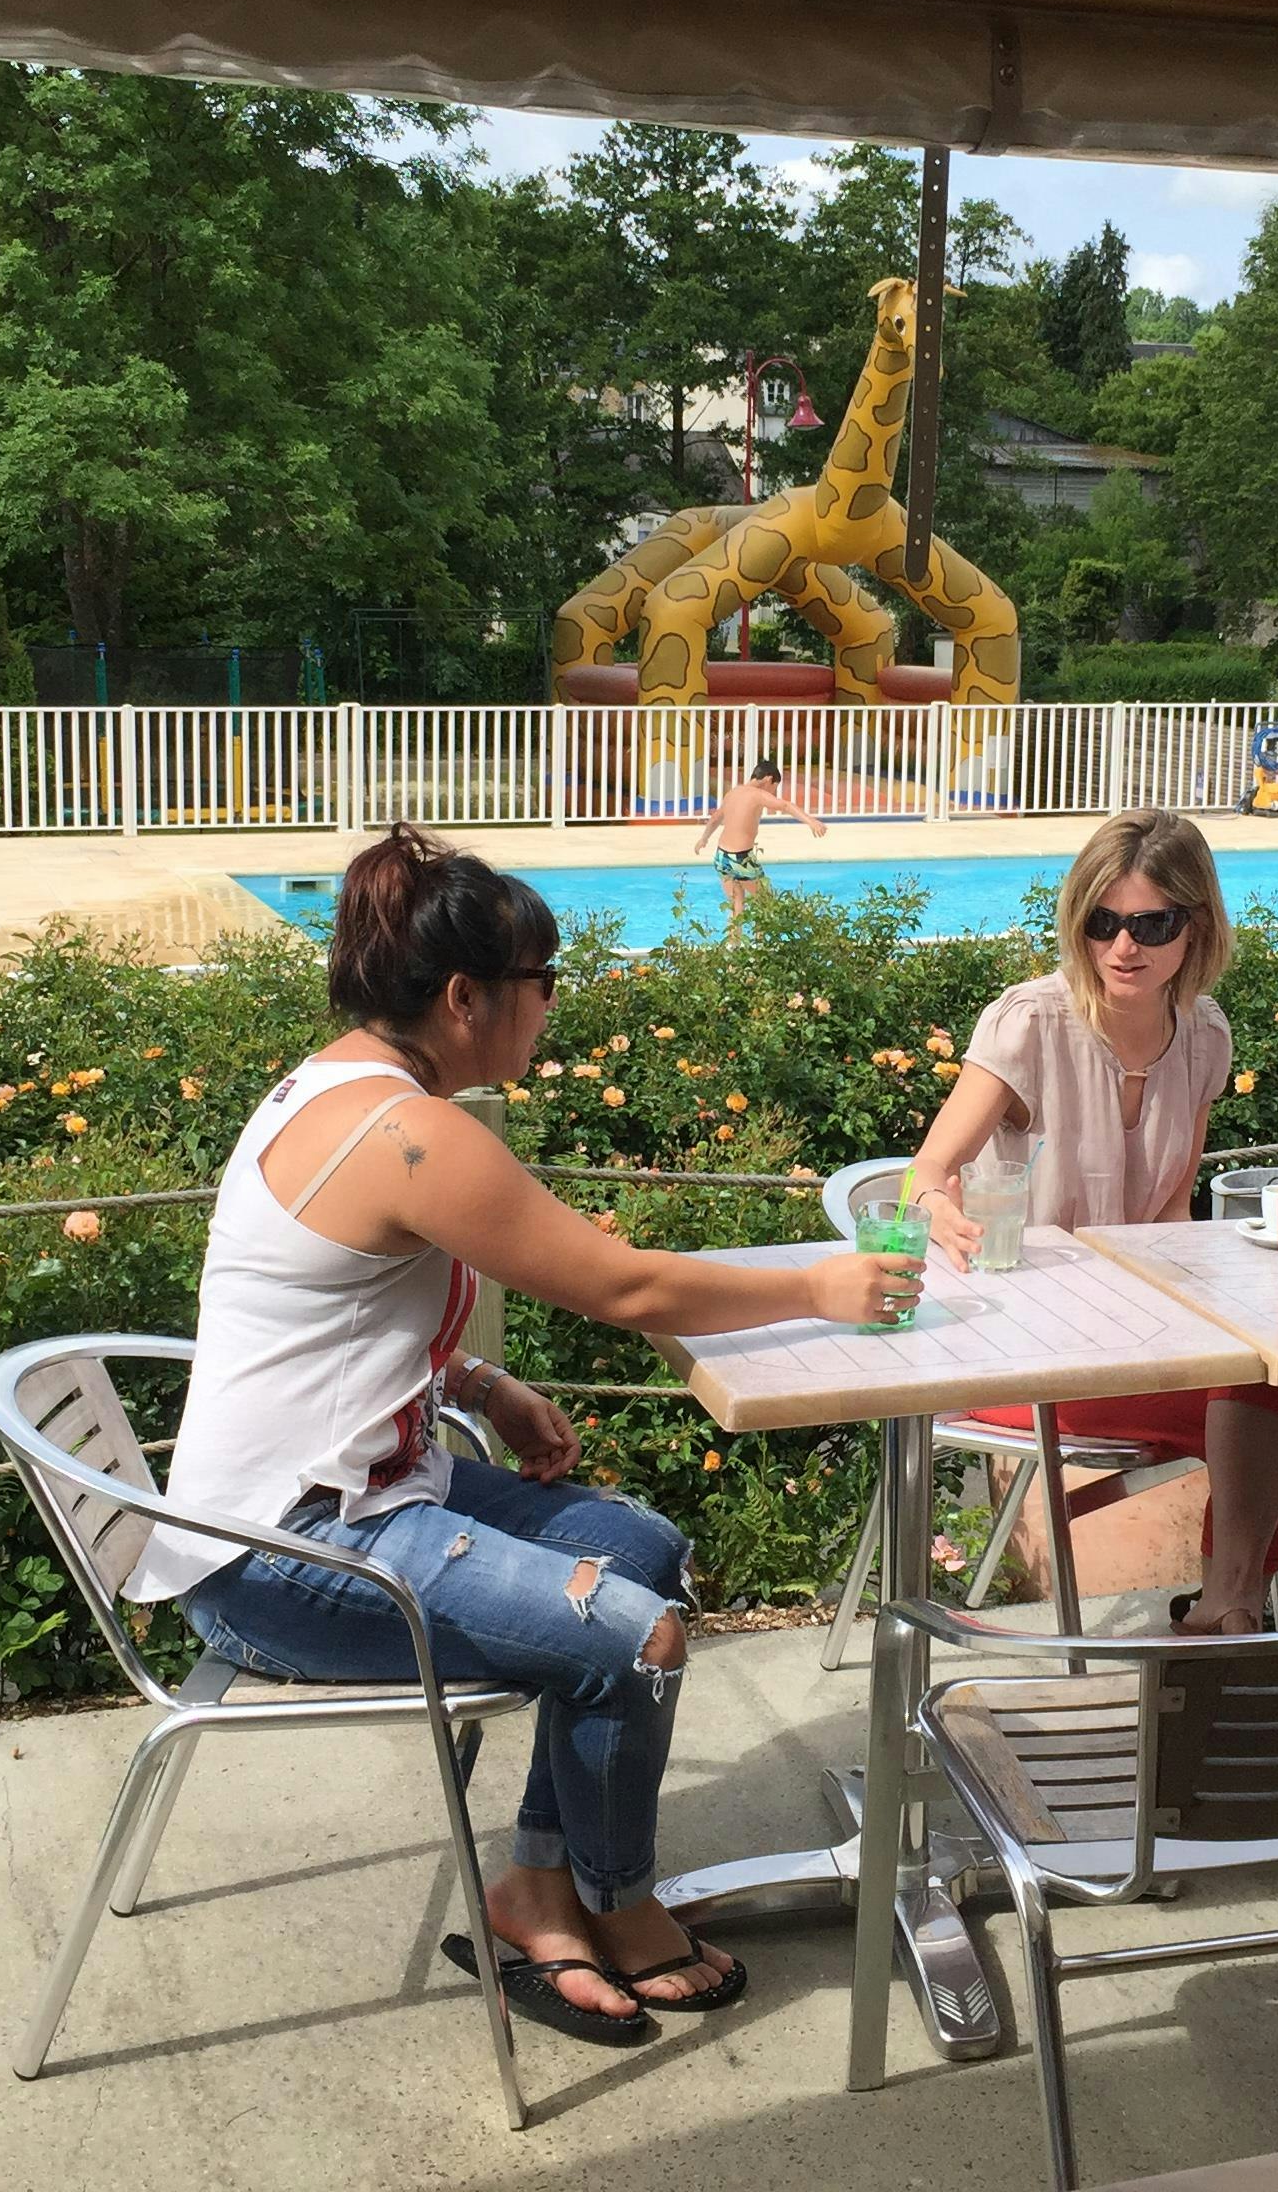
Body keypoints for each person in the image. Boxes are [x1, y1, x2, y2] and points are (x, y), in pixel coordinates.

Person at [124, 825, 916, 2048]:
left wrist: (480, 1383)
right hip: (278, 1553)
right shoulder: (414, 1134)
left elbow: (331, 1302)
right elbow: (627, 1289)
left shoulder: (333, 1088)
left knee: (637, 1544)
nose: (550, 1008)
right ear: (463, 998)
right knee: (637, 1637)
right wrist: (820, 1287)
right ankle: (622, 1901)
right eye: (542, 984)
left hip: (348, 1496)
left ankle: (541, 1885)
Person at [904, 808, 1278, 1638]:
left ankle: (1226, 1602)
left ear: (1196, 928)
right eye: (1102, 923)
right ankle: (1232, 1609)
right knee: (1269, 1399)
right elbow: (925, 1173)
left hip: (1134, 1335)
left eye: (1150, 923)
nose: (1123, 948)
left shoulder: (1203, 1036)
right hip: (1018, 1342)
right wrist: (941, 1212)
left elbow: (1169, 1210)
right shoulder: (1030, 1023)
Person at [690, 758, 823, 936]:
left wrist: (703, 839)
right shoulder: (757, 795)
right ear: (768, 780)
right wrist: (811, 821)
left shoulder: (733, 793)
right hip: (741, 859)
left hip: (721, 857)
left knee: (736, 906)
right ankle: (761, 948)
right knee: (767, 902)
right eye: (774, 788)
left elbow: (715, 818)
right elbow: (785, 805)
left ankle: (733, 954)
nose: (773, 794)